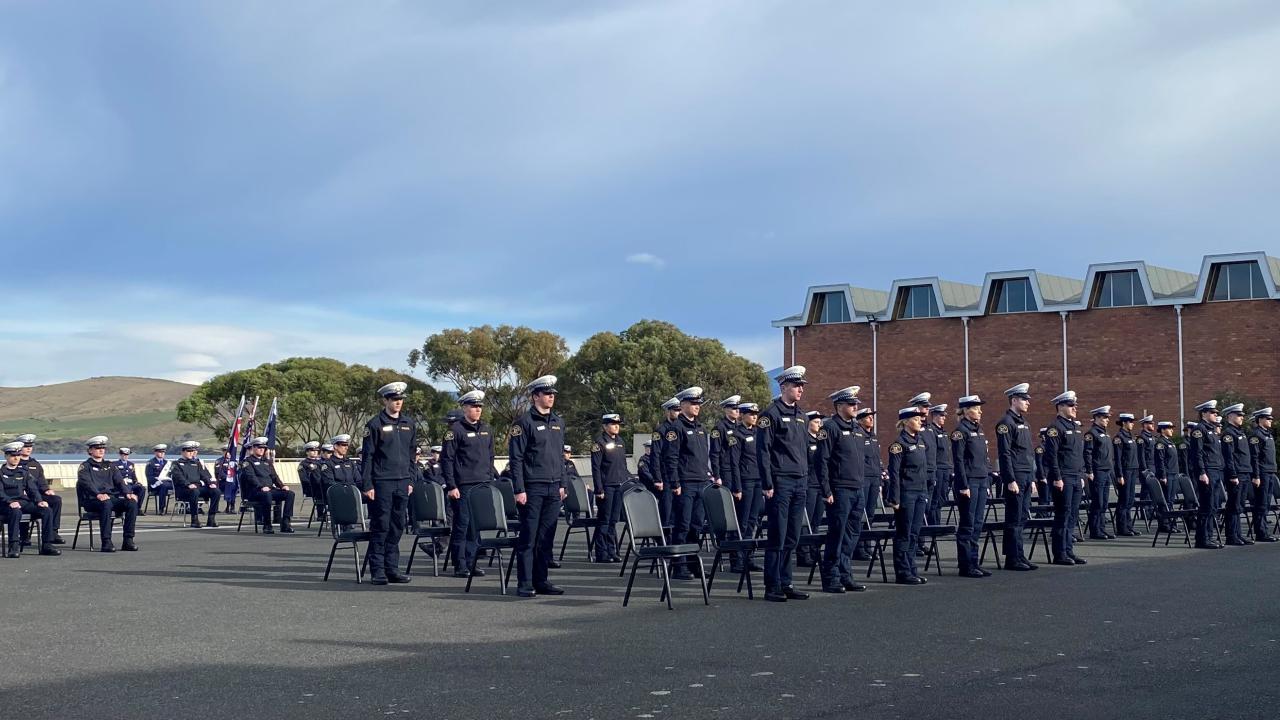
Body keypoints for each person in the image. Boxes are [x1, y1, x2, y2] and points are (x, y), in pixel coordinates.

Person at [508, 375, 568, 598]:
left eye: (553, 394)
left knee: (546, 538)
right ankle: (524, 583)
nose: (551, 397)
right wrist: (519, 489)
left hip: (554, 488)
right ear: (535, 396)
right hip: (532, 488)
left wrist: (563, 483)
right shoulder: (523, 423)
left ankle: (541, 580)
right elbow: (516, 459)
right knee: (529, 538)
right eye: (547, 394)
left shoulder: (558, 422)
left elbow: (560, 456)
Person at [758, 366, 811, 603]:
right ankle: (772, 585)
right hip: (780, 482)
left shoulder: (802, 415)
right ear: (784, 387)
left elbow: (802, 451)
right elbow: (764, 452)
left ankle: (786, 581)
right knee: (777, 535)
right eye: (796, 386)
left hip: (800, 481)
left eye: (801, 386)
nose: (800, 389)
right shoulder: (771, 415)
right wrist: (767, 483)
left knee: (792, 535)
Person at [360, 382, 416, 585]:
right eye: (394, 400)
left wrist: (411, 479)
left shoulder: (408, 424)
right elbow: (367, 458)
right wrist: (367, 485)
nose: (398, 403)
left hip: (402, 482)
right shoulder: (374, 424)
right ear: (385, 401)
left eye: (400, 400)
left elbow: (411, 455)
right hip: (382, 482)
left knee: (397, 526)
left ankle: (392, 568)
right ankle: (378, 570)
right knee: (381, 526)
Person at [814, 386, 868, 593]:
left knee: (852, 534)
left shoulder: (856, 428)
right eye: (851, 404)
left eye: (856, 404)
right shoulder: (830, 428)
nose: (855, 407)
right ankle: (831, 577)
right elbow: (822, 461)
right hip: (839, 489)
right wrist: (826, 490)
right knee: (837, 534)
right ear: (839, 406)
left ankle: (846, 575)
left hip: (857, 489)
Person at [442, 390, 496, 579]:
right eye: (474, 406)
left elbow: (490, 456)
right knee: (462, 525)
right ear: (465, 407)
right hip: (463, 485)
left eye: (480, 406)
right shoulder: (455, 430)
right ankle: (460, 564)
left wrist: (489, 476)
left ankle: (472, 562)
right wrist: (451, 485)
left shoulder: (487, 429)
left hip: (482, 484)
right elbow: (447, 459)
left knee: (476, 526)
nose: (477, 409)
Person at [665, 386, 711, 581]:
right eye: (693, 403)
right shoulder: (676, 428)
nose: (697, 407)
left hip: (701, 482)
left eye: (698, 403)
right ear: (683, 405)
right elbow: (671, 458)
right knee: (682, 525)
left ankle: (693, 564)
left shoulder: (700, 428)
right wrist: (675, 483)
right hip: (685, 484)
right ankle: (679, 566)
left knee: (696, 525)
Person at [886, 407, 930, 585]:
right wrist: (894, 498)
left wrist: (925, 492)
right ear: (905, 422)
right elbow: (894, 473)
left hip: (919, 492)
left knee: (914, 533)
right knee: (904, 533)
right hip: (906, 493)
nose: (920, 421)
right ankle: (903, 571)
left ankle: (912, 569)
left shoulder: (920, 441)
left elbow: (922, 470)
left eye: (920, 418)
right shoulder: (899, 444)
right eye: (916, 418)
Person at [1043, 391, 1086, 566]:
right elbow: (1052, 456)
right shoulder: (1055, 428)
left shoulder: (1075, 427)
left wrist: (1082, 474)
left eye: (1074, 405)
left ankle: (1069, 550)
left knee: (1073, 515)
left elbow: (1077, 454)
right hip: (1064, 477)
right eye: (1070, 405)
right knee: (1063, 514)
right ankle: (1059, 553)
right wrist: (1057, 477)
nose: (1074, 408)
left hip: (1076, 476)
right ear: (1060, 406)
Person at [997, 383, 1037, 571]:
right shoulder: (1006, 423)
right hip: (1016, 476)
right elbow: (1005, 454)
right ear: (1014, 400)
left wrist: (1034, 477)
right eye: (1024, 399)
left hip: (1027, 475)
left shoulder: (1024, 423)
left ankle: (1020, 555)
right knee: (1013, 518)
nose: (1028, 402)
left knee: (1022, 518)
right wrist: (1010, 479)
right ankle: (1012, 558)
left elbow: (1028, 453)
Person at [75, 436, 139, 552]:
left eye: (103, 448)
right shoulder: (85, 467)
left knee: (131, 503)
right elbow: (86, 484)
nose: (101, 450)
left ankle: (128, 540)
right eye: (97, 448)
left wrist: (128, 493)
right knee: (106, 503)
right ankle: (106, 541)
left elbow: (119, 481)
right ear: (90, 451)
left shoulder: (110, 465)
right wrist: (98, 494)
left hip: (109, 498)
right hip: (92, 500)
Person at [951, 395, 991, 577]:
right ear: (966, 411)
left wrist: (987, 480)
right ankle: (966, 565)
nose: (980, 411)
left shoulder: (979, 430)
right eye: (976, 408)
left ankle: (974, 562)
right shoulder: (960, 431)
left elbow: (983, 458)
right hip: (969, 483)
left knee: (977, 523)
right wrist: (963, 484)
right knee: (967, 524)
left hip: (981, 480)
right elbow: (958, 461)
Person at [2, 441, 60, 557]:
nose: (16, 458)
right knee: (15, 511)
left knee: (46, 510)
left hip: (23, 502)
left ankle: (47, 545)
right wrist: (10, 501)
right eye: (13, 455)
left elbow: (32, 489)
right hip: (5, 505)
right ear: (6, 456)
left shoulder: (24, 473)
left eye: (18, 455)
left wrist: (39, 501)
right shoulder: (1, 473)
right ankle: (13, 546)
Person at [729, 402, 765, 572]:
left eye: (756, 413)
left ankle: (748, 558)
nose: (754, 416)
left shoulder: (759, 433)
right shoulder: (737, 435)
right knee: (741, 522)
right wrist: (737, 487)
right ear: (742, 415)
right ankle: (736, 560)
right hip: (745, 481)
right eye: (750, 413)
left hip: (758, 480)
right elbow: (734, 463)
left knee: (752, 521)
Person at [590, 413, 629, 563]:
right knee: (604, 521)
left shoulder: (620, 441)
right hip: (606, 487)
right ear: (605, 426)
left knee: (613, 521)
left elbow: (623, 465)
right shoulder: (599, 442)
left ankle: (612, 551)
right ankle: (602, 552)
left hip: (619, 486)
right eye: (613, 423)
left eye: (617, 423)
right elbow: (596, 468)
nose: (616, 426)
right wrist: (599, 489)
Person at [1187, 401, 1225, 550]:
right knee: (1206, 506)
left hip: (1215, 471)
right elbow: (1197, 454)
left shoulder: (1212, 430)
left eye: (1216, 413)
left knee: (1213, 506)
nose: (1216, 415)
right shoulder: (1199, 430)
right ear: (1204, 413)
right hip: (1207, 472)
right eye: (1213, 413)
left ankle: (1209, 536)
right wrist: (1202, 472)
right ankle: (1202, 539)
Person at [239, 437, 296, 535]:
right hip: (255, 491)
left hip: (269, 490)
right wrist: (260, 487)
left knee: (289, 494)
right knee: (267, 495)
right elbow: (251, 477)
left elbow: (274, 476)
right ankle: (267, 525)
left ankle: (286, 523)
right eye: (259, 447)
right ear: (253, 448)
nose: (261, 450)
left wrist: (282, 486)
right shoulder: (247, 462)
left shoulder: (267, 462)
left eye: (263, 448)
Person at [15, 434, 65, 545]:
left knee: (56, 500)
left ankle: (53, 532)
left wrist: (47, 490)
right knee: (24, 501)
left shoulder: (35, 464)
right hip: (23, 496)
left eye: (30, 446)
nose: (28, 448)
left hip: (37, 495)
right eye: (25, 446)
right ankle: (23, 536)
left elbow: (42, 482)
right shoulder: (15, 463)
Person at [853, 407, 884, 561]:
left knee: (870, 515)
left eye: (872, 416)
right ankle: (858, 548)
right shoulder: (858, 435)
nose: (871, 419)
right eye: (867, 417)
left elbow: (876, 458)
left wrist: (881, 473)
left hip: (874, 478)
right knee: (861, 514)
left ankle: (868, 546)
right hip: (863, 478)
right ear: (860, 420)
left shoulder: (873, 436)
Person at [1220, 403, 1253, 546]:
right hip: (1237, 474)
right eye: (1238, 415)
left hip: (1245, 472)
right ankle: (1231, 536)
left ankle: (1238, 534)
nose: (1241, 418)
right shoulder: (1228, 434)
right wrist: (1233, 475)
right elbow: (1229, 457)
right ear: (1230, 417)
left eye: (1242, 415)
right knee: (1233, 505)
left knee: (1239, 505)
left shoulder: (1240, 433)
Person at [170, 441, 222, 528]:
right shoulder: (176, 464)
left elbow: (204, 475)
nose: (191, 453)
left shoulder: (196, 463)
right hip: (184, 489)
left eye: (192, 451)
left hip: (197, 488)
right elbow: (178, 477)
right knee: (194, 492)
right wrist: (188, 484)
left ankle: (211, 518)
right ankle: (194, 519)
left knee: (216, 491)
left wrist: (209, 483)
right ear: (182, 452)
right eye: (188, 451)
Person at [1083, 406, 1116, 540]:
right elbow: (1088, 453)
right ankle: (1095, 530)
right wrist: (1089, 470)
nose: (1107, 420)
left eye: (1108, 417)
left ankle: (1101, 529)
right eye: (1105, 417)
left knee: (1104, 502)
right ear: (1097, 417)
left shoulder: (1106, 433)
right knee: (1097, 501)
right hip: (1097, 471)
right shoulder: (1092, 434)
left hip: (1106, 470)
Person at [798, 410, 825, 567]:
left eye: (820, 422)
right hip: (809, 484)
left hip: (820, 485)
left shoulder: (821, 440)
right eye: (816, 422)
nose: (819, 424)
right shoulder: (805, 440)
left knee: (816, 521)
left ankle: (814, 551)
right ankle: (804, 554)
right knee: (806, 522)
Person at [1248, 407, 1278, 542]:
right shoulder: (1256, 435)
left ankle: (1264, 530)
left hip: (1270, 471)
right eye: (1268, 418)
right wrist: (1256, 475)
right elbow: (1254, 457)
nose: (1270, 421)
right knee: (1261, 503)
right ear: (1260, 419)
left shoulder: (1268, 434)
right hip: (1263, 473)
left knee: (1266, 503)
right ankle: (1261, 532)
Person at [651, 398, 680, 526]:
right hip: (666, 475)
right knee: (667, 510)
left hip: (680, 474)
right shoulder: (660, 430)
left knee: (679, 511)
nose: (679, 412)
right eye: (676, 410)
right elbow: (655, 455)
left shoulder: (681, 428)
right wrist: (658, 478)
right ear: (668, 412)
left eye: (680, 410)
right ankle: (664, 541)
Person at [1112, 413, 1141, 537]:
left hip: (1133, 470)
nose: (1132, 423)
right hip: (1125, 471)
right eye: (1130, 421)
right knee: (1124, 500)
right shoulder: (1119, 437)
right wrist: (1119, 475)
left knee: (1130, 500)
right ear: (1124, 422)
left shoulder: (1131, 436)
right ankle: (1122, 527)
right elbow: (1117, 458)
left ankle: (1129, 526)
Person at [928, 404, 953, 526]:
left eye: (944, 415)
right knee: (935, 498)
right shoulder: (932, 431)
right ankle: (934, 524)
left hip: (945, 469)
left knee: (942, 497)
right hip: (937, 469)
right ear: (934, 416)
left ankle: (936, 523)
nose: (944, 418)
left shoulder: (943, 432)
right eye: (941, 415)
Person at [116, 448, 148, 515]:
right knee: (126, 489)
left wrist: (136, 482)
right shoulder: (115, 464)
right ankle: (123, 508)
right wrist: (122, 480)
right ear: (120, 455)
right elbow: (116, 476)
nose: (125, 456)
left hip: (131, 484)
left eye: (127, 455)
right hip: (122, 484)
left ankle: (138, 508)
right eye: (124, 455)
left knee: (142, 488)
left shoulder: (131, 464)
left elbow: (133, 476)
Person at [146, 444, 170, 515]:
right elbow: (149, 476)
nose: (162, 453)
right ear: (155, 452)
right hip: (155, 485)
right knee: (163, 486)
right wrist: (157, 481)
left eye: (163, 452)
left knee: (178, 485)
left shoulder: (167, 463)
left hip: (167, 482)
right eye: (160, 452)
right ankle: (161, 508)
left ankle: (182, 506)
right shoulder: (151, 463)